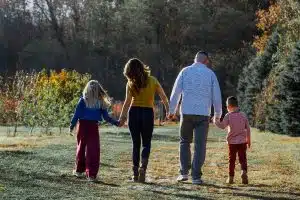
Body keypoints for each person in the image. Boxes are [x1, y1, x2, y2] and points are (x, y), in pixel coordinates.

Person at [168, 51, 222, 185]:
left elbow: (176, 92)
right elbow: (216, 96)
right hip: (203, 113)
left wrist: (171, 110)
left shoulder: (185, 71)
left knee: (184, 142)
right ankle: (196, 176)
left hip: (186, 112)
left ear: (195, 59)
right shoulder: (210, 74)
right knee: (200, 145)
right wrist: (217, 115)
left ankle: (184, 173)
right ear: (206, 61)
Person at [119, 58, 169, 182]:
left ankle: (135, 174)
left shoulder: (130, 83)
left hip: (134, 112)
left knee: (136, 144)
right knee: (146, 143)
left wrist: (122, 117)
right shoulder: (153, 80)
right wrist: (168, 111)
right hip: (147, 113)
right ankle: (143, 168)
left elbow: (127, 102)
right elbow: (163, 97)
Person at [70, 80, 119, 182]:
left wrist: (72, 125)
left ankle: (79, 171)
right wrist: (116, 122)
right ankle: (91, 175)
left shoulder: (83, 100)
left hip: (82, 126)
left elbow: (76, 115)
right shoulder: (100, 102)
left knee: (81, 148)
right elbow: (106, 117)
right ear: (98, 90)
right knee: (93, 150)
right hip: (93, 127)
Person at [214, 96, 251, 184]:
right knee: (243, 159)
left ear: (229, 107)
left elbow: (223, 126)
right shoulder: (243, 115)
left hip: (232, 143)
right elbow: (248, 128)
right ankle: (243, 172)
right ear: (237, 105)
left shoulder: (228, 116)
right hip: (242, 141)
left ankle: (230, 177)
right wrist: (248, 140)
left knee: (232, 160)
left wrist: (216, 121)